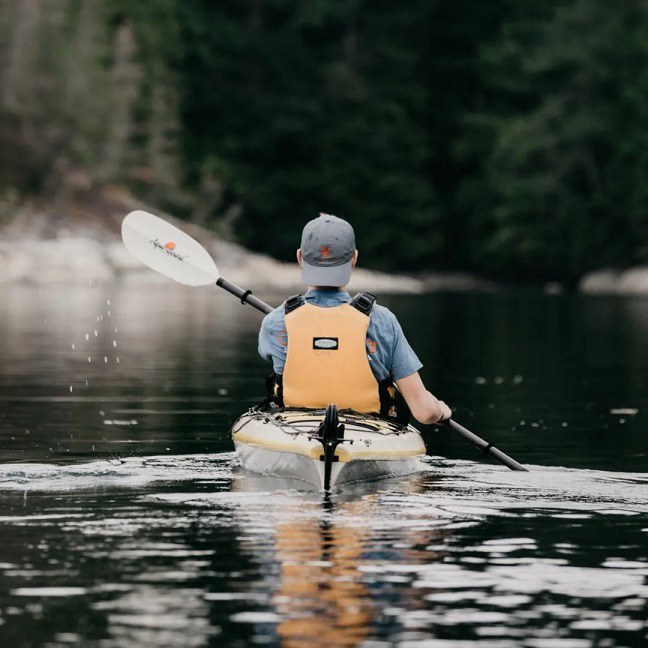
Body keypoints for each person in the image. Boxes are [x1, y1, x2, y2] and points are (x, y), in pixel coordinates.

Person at [258, 213, 452, 425]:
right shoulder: (383, 321)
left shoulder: (275, 322)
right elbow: (426, 413)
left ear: (299, 258)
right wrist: (441, 410)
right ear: (354, 259)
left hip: (294, 430)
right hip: (368, 432)